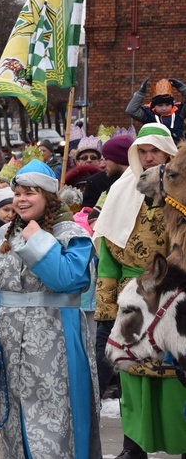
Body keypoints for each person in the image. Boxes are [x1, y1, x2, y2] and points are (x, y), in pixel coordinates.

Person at [0, 159, 101, 459]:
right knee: (15, 415)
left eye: (30, 192)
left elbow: (69, 280)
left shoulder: (72, 235)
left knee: (58, 414)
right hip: (8, 341)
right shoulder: (0, 236)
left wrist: (38, 241)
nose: (21, 199)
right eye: (18, 193)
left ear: (48, 197)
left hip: (57, 338)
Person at [92, 122, 186, 458]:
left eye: (155, 152)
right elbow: (108, 258)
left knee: (174, 379)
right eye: (142, 152)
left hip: (167, 297)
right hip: (130, 296)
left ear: (168, 155)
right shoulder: (120, 189)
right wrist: (105, 310)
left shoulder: (180, 193)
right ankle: (133, 446)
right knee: (130, 377)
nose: (147, 158)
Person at [126, 77, 186, 144]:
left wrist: (182, 87)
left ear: (172, 104)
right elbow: (131, 110)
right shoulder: (147, 114)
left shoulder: (179, 111)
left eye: (167, 105)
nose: (164, 108)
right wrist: (141, 93)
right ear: (154, 105)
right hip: (156, 148)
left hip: (177, 148)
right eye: (160, 105)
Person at [82, 135, 134, 208]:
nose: (103, 164)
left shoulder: (142, 182)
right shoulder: (95, 181)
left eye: (106, 159)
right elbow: (86, 214)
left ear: (117, 159)